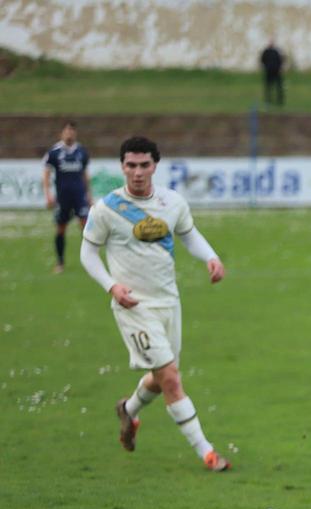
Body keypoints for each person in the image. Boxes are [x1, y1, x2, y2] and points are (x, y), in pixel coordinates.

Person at [79, 136, 230, 471]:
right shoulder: (106, 209)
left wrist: (211, 257)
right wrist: (112, 286)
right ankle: (207, 452)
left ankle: (128, 411)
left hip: (168, 302)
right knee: (172, 379)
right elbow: (87, 252)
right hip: (133, 306)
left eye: (144, 165)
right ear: (122, 167)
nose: (137, 172)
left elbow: (188, 233)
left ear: (155, 166)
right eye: (130, 165)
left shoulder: (172, 202)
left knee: (160, 377)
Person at [42, 121, 92, 274]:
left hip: (80, 197)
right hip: (63, 197)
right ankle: (60, 262)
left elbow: (85, 174)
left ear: (75, 133)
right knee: (61, 229)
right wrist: (48, 194)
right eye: (67, 131)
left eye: (72, 131)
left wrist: (89, 194)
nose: (70, 134)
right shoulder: (54, 152)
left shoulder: (82, 151)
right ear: (61, 134)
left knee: (87, 228)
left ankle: (90, 262)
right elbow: (46, 173)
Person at [260, 41, 284, 106]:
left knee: (278, 86)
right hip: (269, 71)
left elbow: (281, 60)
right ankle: (268, 100)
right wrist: (266, 66)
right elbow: (262, 60)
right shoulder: (266, 52)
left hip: (276, 71)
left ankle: (279, 101)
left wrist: (280, 68)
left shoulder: (276, 52)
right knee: (268, 87)